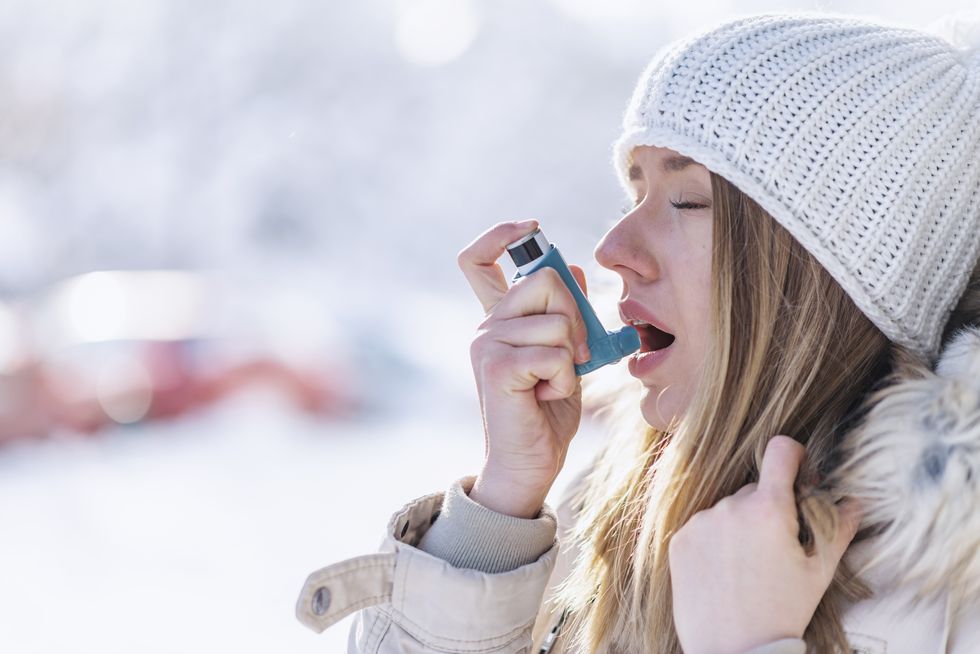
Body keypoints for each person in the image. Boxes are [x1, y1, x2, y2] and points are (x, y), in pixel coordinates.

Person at [296, 10, 980, 653]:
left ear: (826, 273)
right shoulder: (608, 513)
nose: (614, 247)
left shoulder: (954, 594)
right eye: (635, 194)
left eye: (687, 199)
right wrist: (500, 512)